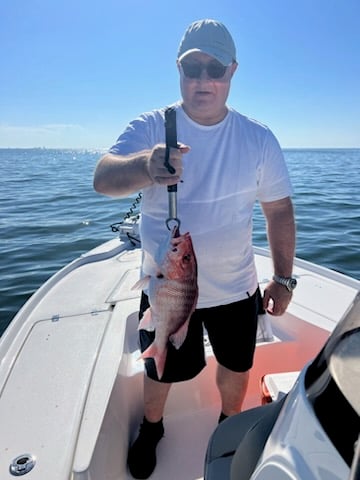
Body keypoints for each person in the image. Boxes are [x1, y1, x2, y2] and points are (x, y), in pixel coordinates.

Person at [94, 18, 296, 479]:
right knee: (159, 370)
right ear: (179, 70)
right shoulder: (152, 127)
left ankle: (228, 424)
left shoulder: (258, 139)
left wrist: (283, 278)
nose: (203, 79)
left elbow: (279, 211)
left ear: (232, 72)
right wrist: (146, 165)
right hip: (168, 286)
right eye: (192, 67)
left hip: (237, 288)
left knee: (237, 365)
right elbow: (103, 178)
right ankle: (152, 427)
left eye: (215, 68)